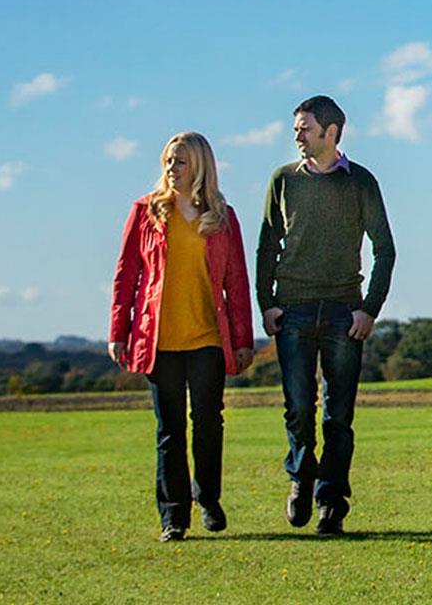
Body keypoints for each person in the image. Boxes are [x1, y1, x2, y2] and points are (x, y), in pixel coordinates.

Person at [255, 95, 396, 536]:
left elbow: (385, 249)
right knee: (298, 408)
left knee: (338, 415)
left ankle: (331, 502)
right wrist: (267, 302)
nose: (297, 134)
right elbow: (266, 245)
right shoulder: (282, 180)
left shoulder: (361, 182)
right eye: (296, 127)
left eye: (304, 127)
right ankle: (300, 479)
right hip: (292, 310)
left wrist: (369, 308)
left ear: (330, 132)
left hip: (343, 312)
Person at [108, 132, 255, 542]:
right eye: (169, 161)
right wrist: (119, 331)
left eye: (181, 162)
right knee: (169, 429)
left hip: (208, 337)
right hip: (159, 340)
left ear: (200, 167)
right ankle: (174, 516)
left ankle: (207, 498)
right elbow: (126, 278)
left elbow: (237, 281)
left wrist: (244, 339)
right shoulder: (145, 212)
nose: (172, 169)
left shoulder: (223, 216)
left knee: (208, 422)